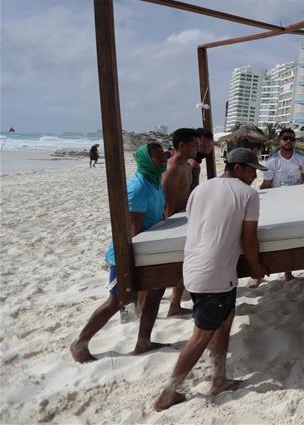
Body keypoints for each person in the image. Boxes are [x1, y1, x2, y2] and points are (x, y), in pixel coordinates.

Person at [152, 148, 268, 411]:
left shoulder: (199, 190)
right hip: (214, 274)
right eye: (251, 171)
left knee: (225, 321)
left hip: (195, 268)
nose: (253, 177)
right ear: (238, 169)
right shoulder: (248, 194)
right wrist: (257, 266)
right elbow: (249, 239)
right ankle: (167, 394)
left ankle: (219, 378)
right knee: (201, 336)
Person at [70, 143, 170, 363]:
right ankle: (80, 342)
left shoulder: (156, 183)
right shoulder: (138, 187)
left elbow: (160, 217)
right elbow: (133, 233)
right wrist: (133, 265)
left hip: (149, 250)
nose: (163, 159)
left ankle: (144, 341)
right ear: (145, 160)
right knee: (117, 301)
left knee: (156, 291)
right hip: (127, 254)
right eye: (157, 157)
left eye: (164, 155)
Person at [250, 128, 304, 286]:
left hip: (297, 202)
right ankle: (258, 273)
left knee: (290, 237)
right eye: (285, 138)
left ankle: (288, 271)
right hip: (278, 203)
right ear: (279, 141)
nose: (289, 141)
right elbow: (267, 184)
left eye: (292, 138)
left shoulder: (302, 157)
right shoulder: (272, 161)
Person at [162, 128, 200, 317]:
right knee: (176, 267)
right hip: (174, 222)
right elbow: (167, 205)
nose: (197, 149)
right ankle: (169, 305)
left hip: (185, 218)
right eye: (194, 145)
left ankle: (175, 305)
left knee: (184, 265)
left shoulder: (187, 165)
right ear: (182, 145)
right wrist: (171, 230)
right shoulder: (172, 169)